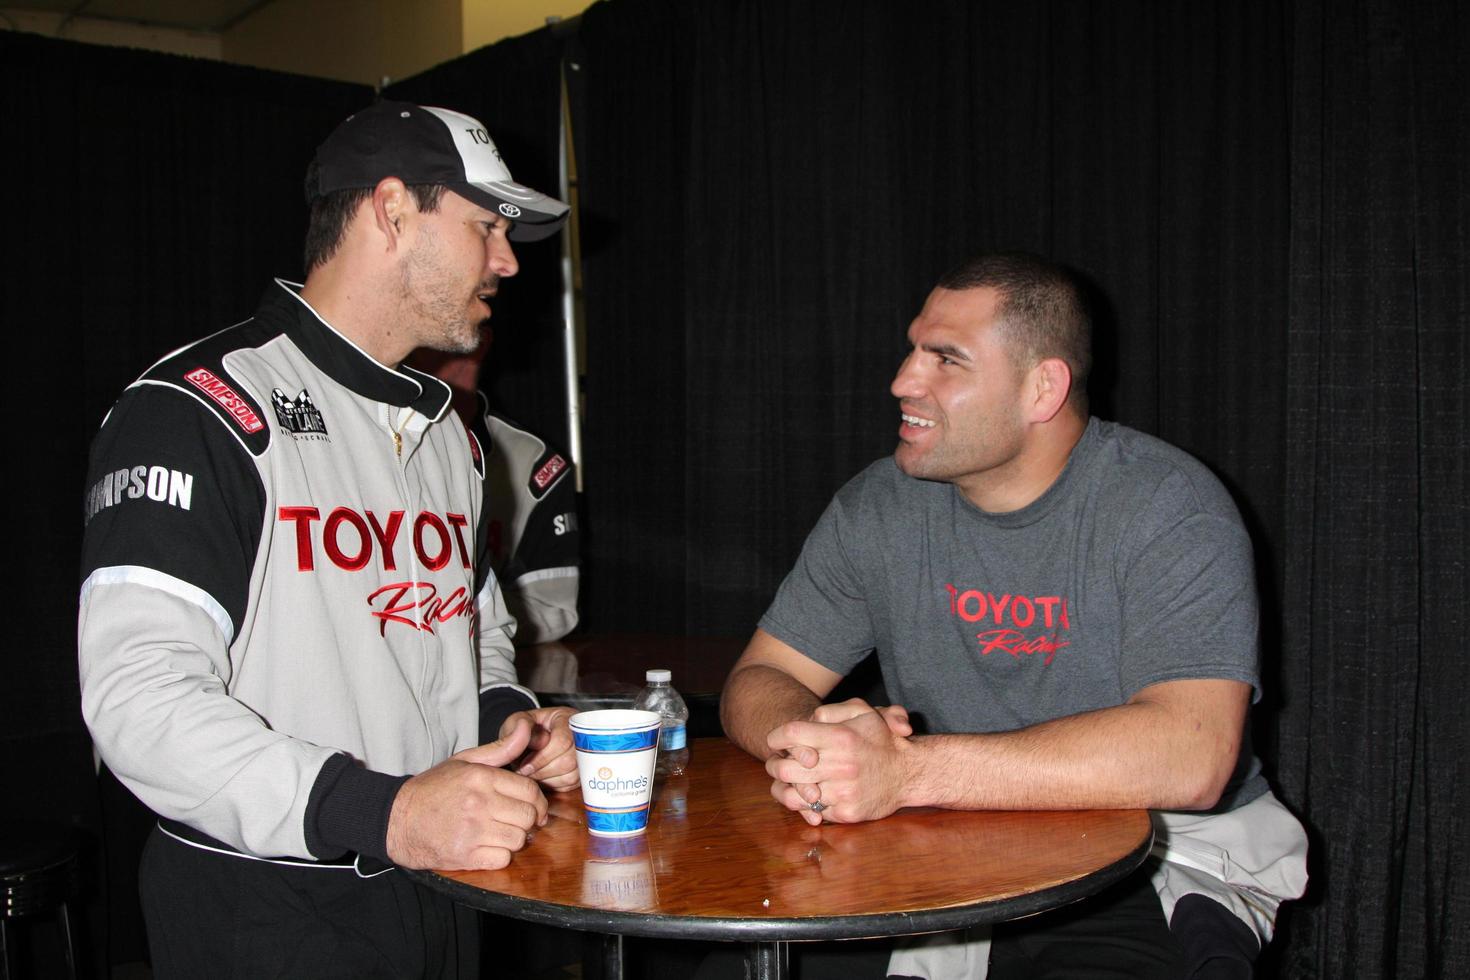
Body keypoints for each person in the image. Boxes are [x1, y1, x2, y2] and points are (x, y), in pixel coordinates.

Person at [78, 100, 574, 979]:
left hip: (445, 884)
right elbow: (139, 702)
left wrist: (514, 730)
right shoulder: (197, 411)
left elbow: (477, 632)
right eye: (485, 226)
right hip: (264, 908)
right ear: (391, 210)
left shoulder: (449, 435)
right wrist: (382, 813)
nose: (506, 261)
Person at [719, 252, 1308, 979]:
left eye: (946, 360)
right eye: (912, 350)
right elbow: (762, 675)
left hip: (1154, 849)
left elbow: (1192, 758)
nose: (903, 381)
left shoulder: (1168, 506)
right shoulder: (878, 507)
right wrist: (805, 744)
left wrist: (906, 773)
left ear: (1043, 388)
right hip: (939, 836)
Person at [408, 325, 581, 646]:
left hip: (489, 667)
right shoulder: (372, 441)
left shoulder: (534, 462)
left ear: (482, 339)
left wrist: (451, 619)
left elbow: (554, 608)